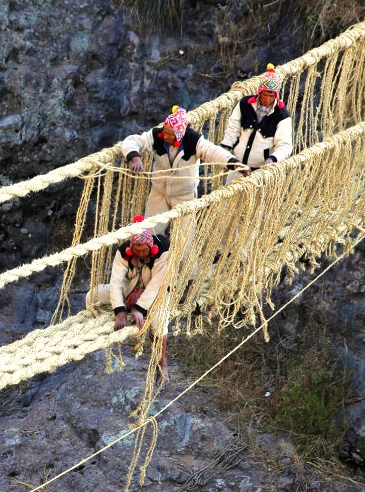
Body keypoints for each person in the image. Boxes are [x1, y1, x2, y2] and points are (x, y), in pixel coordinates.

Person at [121, 106, 247, 235]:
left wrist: (233, 163)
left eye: (169, 134)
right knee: (150, 232)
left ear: (179, 135)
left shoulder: (193, 141)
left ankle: (182, 255)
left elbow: (213, 152)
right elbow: (133, 140)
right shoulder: (157, 136)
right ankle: (157, 254)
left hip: (184, 196)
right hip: (159, 193)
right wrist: (135, 157)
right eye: (164, 131)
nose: (164, 136)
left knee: (184, 237)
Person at [89, 216, 172, 385]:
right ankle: (103, 323)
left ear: (151, 246)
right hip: (131, 289)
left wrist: (139, 308)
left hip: (156, 293)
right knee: (91, 296)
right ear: (131, 246)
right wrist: (119, 311)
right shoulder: (123, 251)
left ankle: (161, 361)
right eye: (137, 250)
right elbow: (116, 282)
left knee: (159, 321)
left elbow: (157, 285)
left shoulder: (163, 250)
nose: (140, 253)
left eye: (144, 250)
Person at [220, 63, 293, 181]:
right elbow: (233, 128)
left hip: (259, 174)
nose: (268, 99)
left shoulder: (282, 116)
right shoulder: (245, 104)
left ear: (276, 96)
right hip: (237, 168)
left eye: (271, 95)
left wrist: (272, 159)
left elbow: (285, 146)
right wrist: (225, 148)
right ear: (260, 92)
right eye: (265, 94)